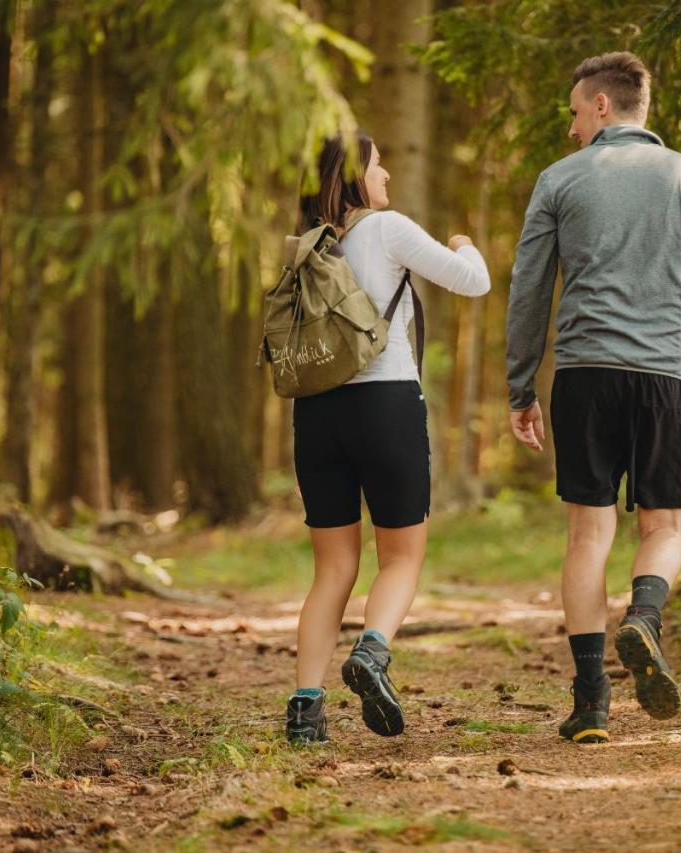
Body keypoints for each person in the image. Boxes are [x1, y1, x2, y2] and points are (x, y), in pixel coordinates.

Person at [505, 52, 681, 744]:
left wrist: (520, 384)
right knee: (664, 528)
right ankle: (644, 616)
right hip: (670, 376)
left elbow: (529, 289)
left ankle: (591, 702)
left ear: (604, 107)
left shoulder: (559, 180)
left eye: (576, 112)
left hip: (586, 373)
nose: (571, 128)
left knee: (589, 533)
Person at [285, 134, 491, 744]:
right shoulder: (387, 228)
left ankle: (305, 711)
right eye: (378, 164)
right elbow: (472, 282)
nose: (389, 173)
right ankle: (372, 653)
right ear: (355, 175)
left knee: (332, 570)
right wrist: (464, 244)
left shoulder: (307, 245)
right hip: (385, 403)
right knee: (401, 556)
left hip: (315, 411)